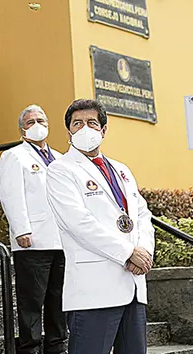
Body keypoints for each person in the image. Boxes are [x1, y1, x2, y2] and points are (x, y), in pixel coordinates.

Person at [46, 99, 154, 354]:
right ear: (69, 132)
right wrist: (128, 253)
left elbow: (141, 214)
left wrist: (144, 252)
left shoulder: (121, 170)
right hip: (94, 289)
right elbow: (78, 222)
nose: (85, 128)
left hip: (133, 284)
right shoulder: (60, 170)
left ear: (103, 131)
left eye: (91, 123)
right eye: (77, 124)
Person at [0, 105, 67, 354]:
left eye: (41, 120)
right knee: (31, 302)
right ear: (21, 129)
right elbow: (10, 195)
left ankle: (56, 346)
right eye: (30, 122)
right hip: (33, 241)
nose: (36, 125)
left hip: (62, 240)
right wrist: (21, 230)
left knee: (58, 299)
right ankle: (30, 347)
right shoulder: (14, 156)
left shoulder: (61, 158)